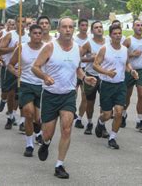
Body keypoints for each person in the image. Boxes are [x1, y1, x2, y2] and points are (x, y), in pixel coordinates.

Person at [32, 17, 96, 179]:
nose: (68, 30)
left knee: (67, 128)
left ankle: (59, 164)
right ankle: (46, 143)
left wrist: (84, 78)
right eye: (64, 27)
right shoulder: (49, 47)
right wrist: (45, 76)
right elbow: (35, 67)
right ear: (58, 29)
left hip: (68, 95)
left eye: (70, 27)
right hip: (50, 95)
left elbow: (77, 69)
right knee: (48, 133)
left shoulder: (77, 48)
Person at [93, 24, 138, 149]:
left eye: (119, 33)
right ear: (110, 35)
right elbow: (95, 65)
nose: (118, 36)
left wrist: (132, 71)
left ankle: (112, 138)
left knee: (118, 112)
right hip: (107, 85)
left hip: (120, 85)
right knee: (107, 114)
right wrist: (106, 72)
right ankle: (101, 122)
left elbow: (127, 63)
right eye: (115, 33)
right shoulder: (104, 49)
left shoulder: (124, 49)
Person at [7, 24, 44, 157]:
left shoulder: (47, 48)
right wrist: (16, 72)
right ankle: (29, 144)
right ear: (29, 34)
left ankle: (38, 131)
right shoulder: (22, 48)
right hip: (26, 84)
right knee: (28, 113)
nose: (37, 35)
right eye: (35, 33)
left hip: (42, 85)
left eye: (40, 33)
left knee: (38, 118)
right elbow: (10, 64)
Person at [0, 17, 29, 129]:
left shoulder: (29, 36)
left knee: (21, 95)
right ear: (15, 23)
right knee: (10, 94)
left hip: (25, 70)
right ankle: (10, 115)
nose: (21, 24)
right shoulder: (10, 35)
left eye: (23, 22)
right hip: (11, 68)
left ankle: (22, 121)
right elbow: (0, 49)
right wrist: (13, 49)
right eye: (19, 22)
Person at [122, 19, 142, 132]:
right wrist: (132, 54)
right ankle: (123, 114)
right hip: (129, 70)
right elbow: (120, 54)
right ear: (133, 27)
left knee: (141, 93)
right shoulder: (128, 41)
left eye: (141, 25)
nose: (140, 27)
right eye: (137, 25)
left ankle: (139, 120)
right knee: (127, 95)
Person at [80, 20, 105, 135]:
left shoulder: (108, 42)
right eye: (96, 27)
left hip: (105, 76)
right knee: (90, 102)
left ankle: (102, 125)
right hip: (91, 75)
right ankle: (89, 123)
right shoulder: (88, 43)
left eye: (100, 27)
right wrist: (90, 59)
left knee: (105, 103)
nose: (99, 29)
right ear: (92, 30)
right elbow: (78, 57)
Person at [73, 18, 89, 129]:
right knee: (73, 94)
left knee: (85, 96)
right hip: (74, 69)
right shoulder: (74, 39)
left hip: (86, 70)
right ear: (79, 26)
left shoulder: (91, 40)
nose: (84, 27)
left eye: (86, 25)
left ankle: (79, 118)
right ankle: (71, 110)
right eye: (82, 25)